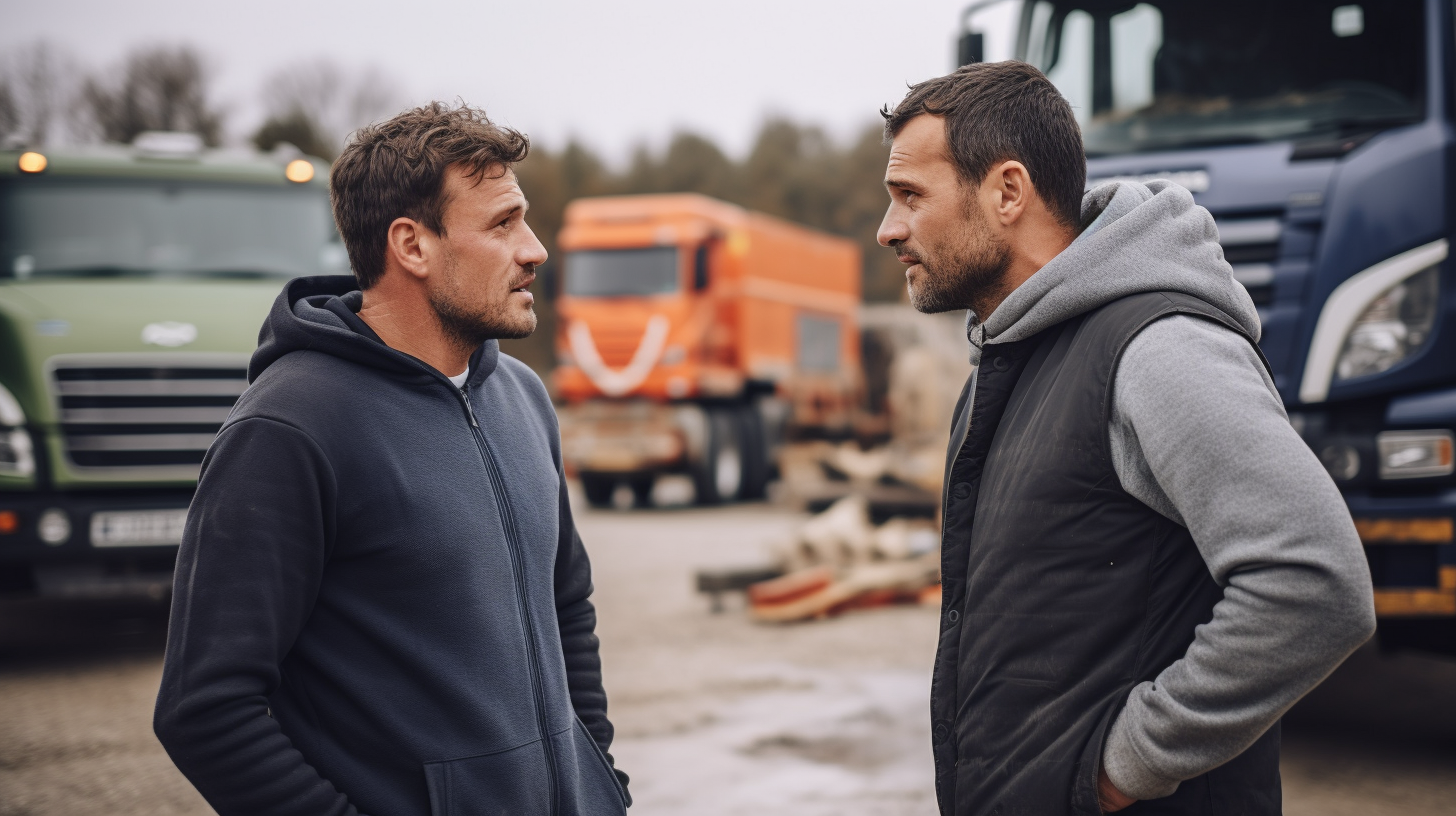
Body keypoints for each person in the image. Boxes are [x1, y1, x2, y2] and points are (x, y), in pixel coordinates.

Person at [876, 61, 1375, 815]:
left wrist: (1121, 767)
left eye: (910, 196)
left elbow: (1315, 585)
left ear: (1007, 191)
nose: (888, 230)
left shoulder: (1157, 349)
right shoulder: (1003, 367)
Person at [154, 103, 629, 816]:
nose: (535, 249)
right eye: (502, 225)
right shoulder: (290, 427)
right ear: (412, 245)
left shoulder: (524, 398)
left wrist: (602, 788)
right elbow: (206, 708)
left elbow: (568, 610)